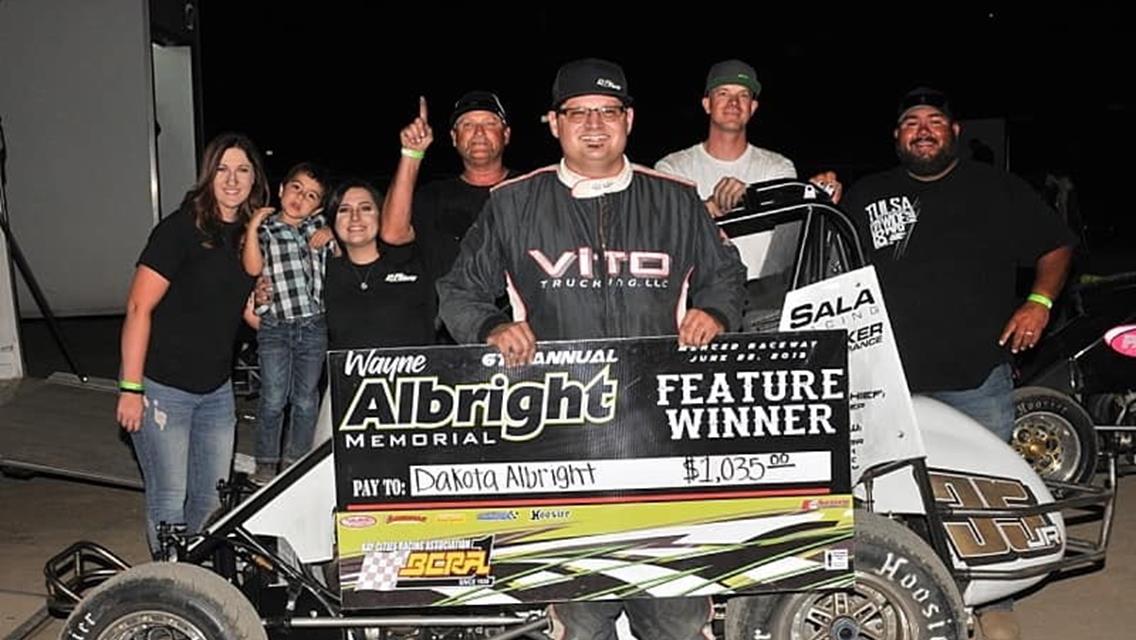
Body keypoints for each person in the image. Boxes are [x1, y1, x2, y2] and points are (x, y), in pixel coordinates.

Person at [437, 57, 745, 640]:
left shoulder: (677, 199)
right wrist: (489, 327)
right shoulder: (512, 202)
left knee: (676, 614)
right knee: (581, 617)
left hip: (665, 436)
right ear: (554, 123)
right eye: (579, 113)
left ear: (628, 119)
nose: (595, 125)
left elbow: (725, 276)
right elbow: (458, 290)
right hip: (562, 441)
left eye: (608, 112)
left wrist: (716, 310)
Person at [840, 87, 1075, 640]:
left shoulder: (995, 189)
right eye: (911, 122)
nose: (923, 130)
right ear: (897, 137)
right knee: (891, 497)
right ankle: (910, 591)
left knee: (984, 494)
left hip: (975, 378)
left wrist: (1038, 303)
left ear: (955, 131)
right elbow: (828, 257)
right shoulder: (868, 194)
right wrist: (826, 193)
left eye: (934, 121)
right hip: (886, 381)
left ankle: (1000, 602)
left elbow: (1056, 246)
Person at [116, 132, 269, 554]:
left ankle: (196, 582)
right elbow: (136, 308)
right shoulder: (181, 228)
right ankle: (172, 590)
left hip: (217, 392)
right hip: (163, 390)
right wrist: (132, 388)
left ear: (255, 178)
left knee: (211, 499)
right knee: (170, 500)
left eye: (242, 170)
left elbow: (245, 313)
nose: (233, 180)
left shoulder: (250, 235)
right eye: (223, 169)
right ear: (208, 175)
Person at [655, 59, 840, 277]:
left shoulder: (778, 167)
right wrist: (710, 208)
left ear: (752, 108)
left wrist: (817, 196)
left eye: (743, 95)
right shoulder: (673, 168)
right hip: (699, 302)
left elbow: (792, 242)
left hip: (769, 301)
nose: (733, 102)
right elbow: (663, 240)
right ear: (707, 104)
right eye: (723, 93)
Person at [242, 162, 334, 482]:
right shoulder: (266, 230)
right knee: (273, 397)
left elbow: (344, 247)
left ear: (318, 205)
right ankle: (266, 461)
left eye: (310, 195)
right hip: (275, 327)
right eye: (296, 188)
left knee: (306, 399)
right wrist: (253, 227)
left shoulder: (318, 226)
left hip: (313, 325)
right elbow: (253, 268)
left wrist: (332, 230)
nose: (300, 198)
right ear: (282, 188)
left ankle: (297, 462)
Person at [323, 98, 440, 352]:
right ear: (332, 221)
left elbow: (395, 229)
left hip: (414, 388)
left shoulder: (410, 259)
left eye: (366, 208)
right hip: (348, 389)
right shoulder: (321, 271)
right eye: (344, 210)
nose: (355, 217)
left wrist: (411, 154)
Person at [413, 90, 516, 279]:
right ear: (454, 137)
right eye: (467, 125)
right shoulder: (433, 196)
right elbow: (392, 234)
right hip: (452, 306)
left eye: (490, 123)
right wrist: (411, 154)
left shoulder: (533, 189)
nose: (479, 132)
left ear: (506, 135)